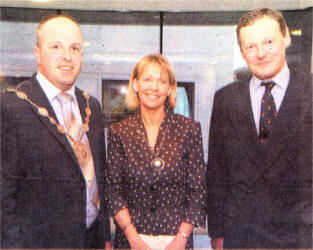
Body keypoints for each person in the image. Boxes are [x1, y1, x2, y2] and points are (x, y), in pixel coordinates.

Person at [1, 14, 111, 248]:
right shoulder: (12, 106)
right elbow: (3, 197)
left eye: (75, 48)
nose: (67, 56)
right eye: (56, 46)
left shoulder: (92, 107)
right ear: (38, 53)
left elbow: (97, 180)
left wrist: (104, 240)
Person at [207, 8, 312, 249]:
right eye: (251, 46)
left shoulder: (310, 91)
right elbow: (217, 172)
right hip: (242, 236)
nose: (261, 53)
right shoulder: (225, 99)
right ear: (242, 52)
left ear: (286, 38)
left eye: (268, 42)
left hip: (301, 236)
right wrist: (217, 231)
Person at [105, 54, 206, 249]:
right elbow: (113, 190)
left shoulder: (189, 129)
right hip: (131, 240)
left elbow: (198, 190)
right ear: (135, 84)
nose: (154, 87)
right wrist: (133, 239)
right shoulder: (119, 132)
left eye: (162, 81)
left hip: (177, 240)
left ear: (170, 88)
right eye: (147, 79)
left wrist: (181, 239)